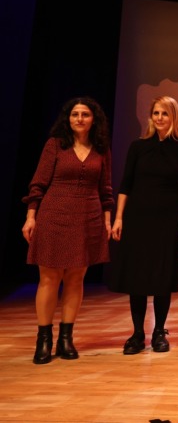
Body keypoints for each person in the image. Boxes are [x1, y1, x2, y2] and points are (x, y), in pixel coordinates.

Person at [22, 96, 114, 364]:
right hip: (54, 214)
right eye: (75, 114)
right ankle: (44, 339)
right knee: (49, 278)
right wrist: (31, 217)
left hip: (88, 216)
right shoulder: (55, 145)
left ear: (94, 119)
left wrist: (107, 220)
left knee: (75, 278)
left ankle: (66, 338)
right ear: (68, 118)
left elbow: (106, 189)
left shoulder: (101, 149)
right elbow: (38, 183)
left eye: (85, 114)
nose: (80, 119)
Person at [109, 96, 178, 355]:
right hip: (137, 217)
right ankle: (137, 334)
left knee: (162, 277)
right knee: (138, 277)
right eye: (155, 113)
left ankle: (159, 332)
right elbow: (126, 184)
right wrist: (119, 217)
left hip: (168, 219)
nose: (159, 118)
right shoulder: (138, 147)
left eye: (164, 113)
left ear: (173, 117)